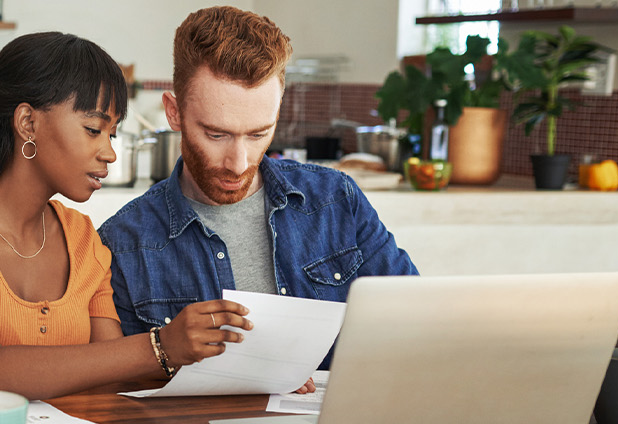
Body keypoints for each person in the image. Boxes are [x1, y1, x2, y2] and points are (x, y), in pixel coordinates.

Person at [0, 32, 252, 400]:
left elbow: (111, 377)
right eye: (93, 130)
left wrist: (248, 375)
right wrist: (161, 346)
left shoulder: (82, 237)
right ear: (28, 123)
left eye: (112, 133)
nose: (109, 152)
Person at [98, 7, 419, 372]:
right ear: (174, 112)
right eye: (216, 134)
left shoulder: (336, 199)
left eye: (258, 134)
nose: (238, 162)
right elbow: (120, 392)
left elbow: (413, 319)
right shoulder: (121, 243)